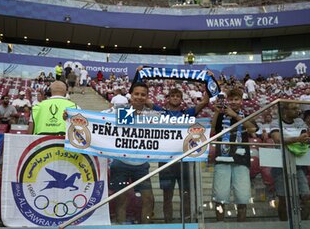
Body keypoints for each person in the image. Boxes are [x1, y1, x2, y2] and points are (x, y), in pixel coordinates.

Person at [153, 88, 210, 223]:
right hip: (166, 160)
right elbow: (147, 102)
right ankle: (168, 223)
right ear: (168, 98)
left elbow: (205, 102)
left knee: (186, 195)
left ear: (181, 99)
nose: (175, 98)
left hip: (185, 161)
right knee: (167, 195)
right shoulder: (162, 112)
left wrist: (209, 81)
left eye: (178, 96)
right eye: (172, 95)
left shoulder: (188, 113)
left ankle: (186, 222)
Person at [109, 82, 154, 224]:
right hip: (120, 162)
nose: (139, 97)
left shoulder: (153, 115)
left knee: (149, 199)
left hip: (141, 164)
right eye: (136, 94)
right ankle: (121, 226)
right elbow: (95, 119)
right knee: (122, 199)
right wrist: (71, 116)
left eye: (143, 94)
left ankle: (145, 227)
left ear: (147, 97)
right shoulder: (121, 111)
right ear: (131, 95)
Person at [211, 88, 258, 222]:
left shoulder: (247, 115)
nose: (233, 102)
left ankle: (241, 225)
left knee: (242, 198)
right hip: (222, 159)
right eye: (230, 99)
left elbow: (252, 129)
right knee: (220, 197)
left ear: (241, 101)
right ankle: (220, 225)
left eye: (236, 99)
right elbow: (212, 130)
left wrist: (236, 116)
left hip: (241, 160)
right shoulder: (220, 115)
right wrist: (216, 112)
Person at [270, 102, 310, 221]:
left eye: (298, 108)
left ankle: (302, 224)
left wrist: (305, 137)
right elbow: (278, 139)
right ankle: (284, 225)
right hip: (280, 164)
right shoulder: (275, 123)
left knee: (306, 196)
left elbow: (305, 138)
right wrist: (297, 139)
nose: (297, 111)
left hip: (298, 163)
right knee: (283, 199)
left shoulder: (300, 122)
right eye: (294, 108)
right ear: (284, 110)